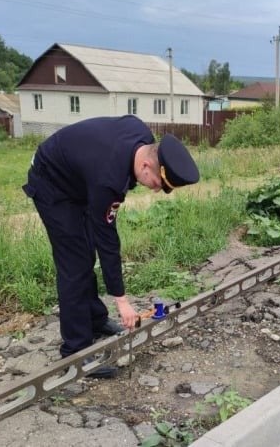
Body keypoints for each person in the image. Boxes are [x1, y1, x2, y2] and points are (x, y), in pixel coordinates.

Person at [22, 115, 200, 378]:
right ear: (147, 164)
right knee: (74, 264)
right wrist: (122, 300)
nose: (153, 190)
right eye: (156, 184)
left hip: (80, 179)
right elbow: (108, 240)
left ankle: (94, 319)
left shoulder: (141, 137)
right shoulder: (109, 178)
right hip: (53, 183)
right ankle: (75, 352)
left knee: (85, 251)